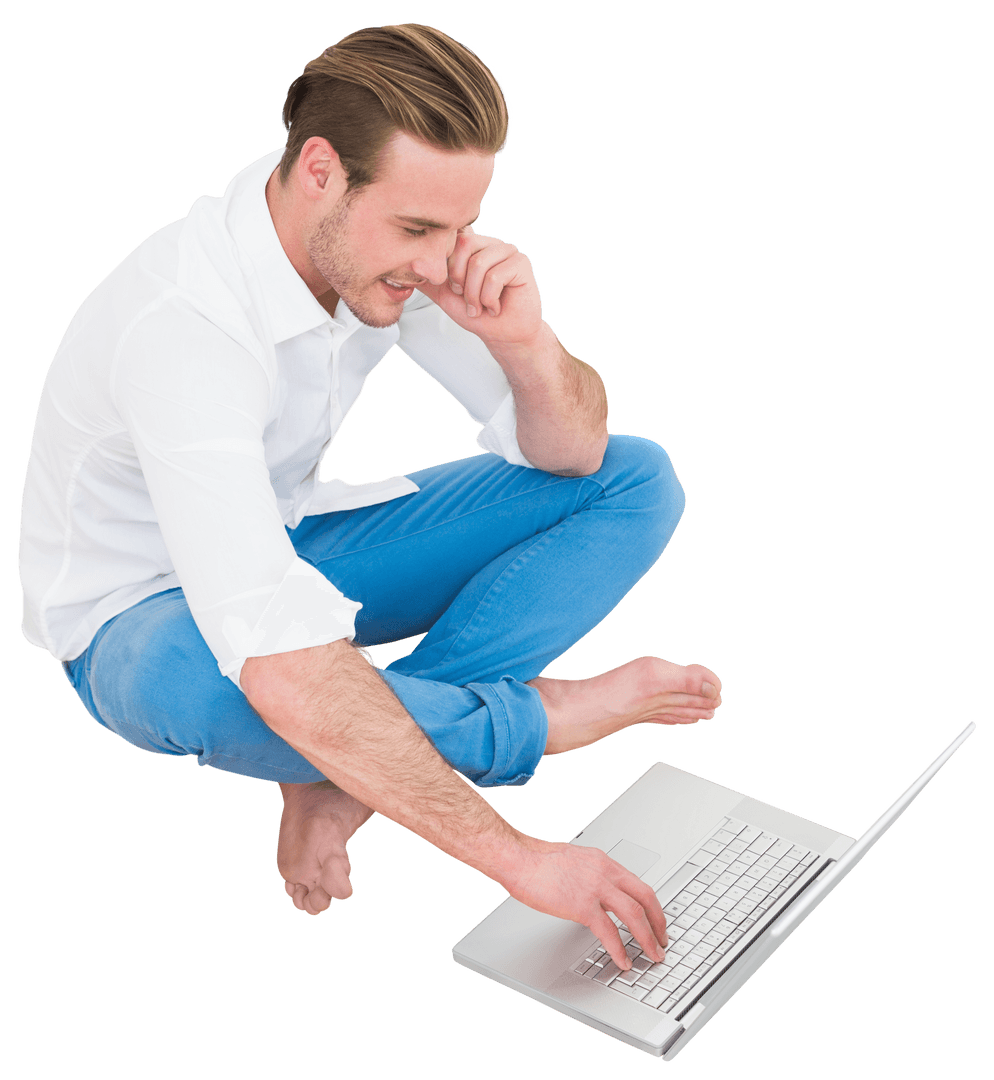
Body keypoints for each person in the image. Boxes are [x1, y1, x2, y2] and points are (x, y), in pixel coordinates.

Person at [18, 23, 721, 974]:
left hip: (286, 544)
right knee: (210, 683)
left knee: (634, 479)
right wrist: (522, 859)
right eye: (418, 230)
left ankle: (341, 775)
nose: (438, 261)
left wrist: (523, 343)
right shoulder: (185, 329)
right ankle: (529, 717)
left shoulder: (376, 243)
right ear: (320, 170)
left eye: (459, 227)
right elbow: (267, 649)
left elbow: (575, 453)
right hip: (134, 618)